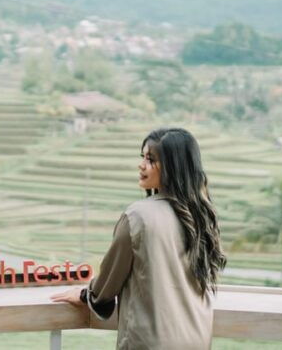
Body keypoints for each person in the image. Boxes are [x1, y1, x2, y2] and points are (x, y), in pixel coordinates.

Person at [50, 127, 227, 349]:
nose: (141, 165)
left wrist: (85, 295)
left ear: (173, 167)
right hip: (197, 339)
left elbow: (106, 285)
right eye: (142, 157)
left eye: (151, 159)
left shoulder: (138, 217)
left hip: (150, 342)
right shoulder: (201, 215)